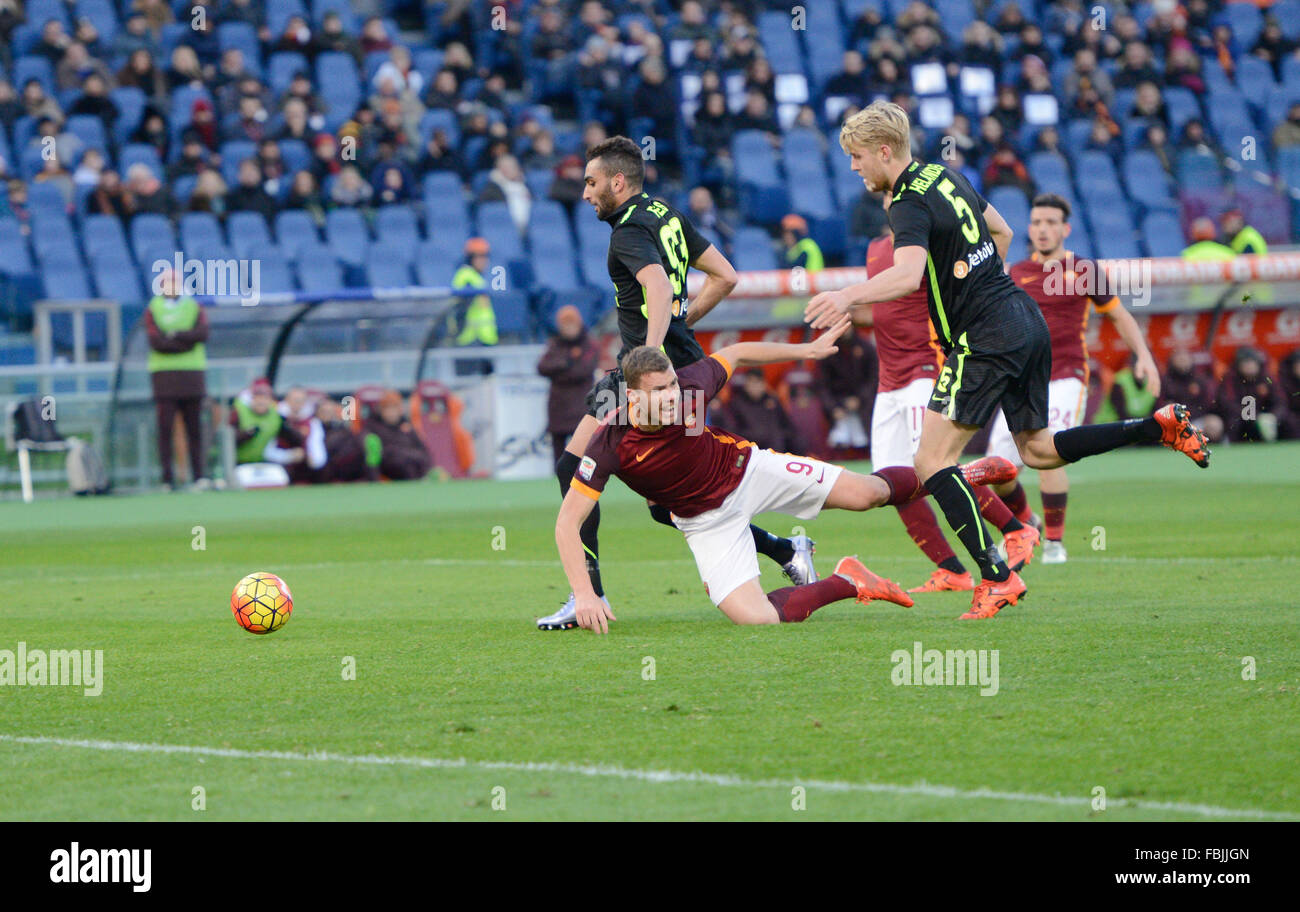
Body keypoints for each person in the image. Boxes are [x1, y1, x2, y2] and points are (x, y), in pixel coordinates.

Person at [806, 101, 1211, 619]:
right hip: (1023, 318)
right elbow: (1003, 233)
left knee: (931, 462)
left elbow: (908, 275)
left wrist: (847, 295)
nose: (855, 167)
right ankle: (1156, 429)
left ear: (884, 151)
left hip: (986, 336)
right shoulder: (946, 176)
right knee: (1039, 451)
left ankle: (995, 576)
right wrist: (970, 279)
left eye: (858, 156)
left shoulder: (905, 200)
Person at [555, 328, 1019, 632]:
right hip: (704, 522)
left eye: (674, 384)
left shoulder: (691, 388)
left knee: (868, 494)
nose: (675, 396)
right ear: (633, 396)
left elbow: (736, 352)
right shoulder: (610, 441)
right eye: (661, 391)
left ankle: (956, 476)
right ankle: (848, 580)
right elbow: (568, 523)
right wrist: (584, 594)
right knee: (755, 619)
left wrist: (806, 350)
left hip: (749, 471)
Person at [541, 135, 813, 631]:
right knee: (654, 499)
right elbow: (726, 276)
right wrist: (679, 327)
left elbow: (660, 287)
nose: (584, 193)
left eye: (591, 182)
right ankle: (785, 547)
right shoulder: (666, 214)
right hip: (655, 370)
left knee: (661, 495)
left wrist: (653, 352)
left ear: (617, 182)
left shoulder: (626, 232)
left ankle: (588, 597)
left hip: (654, 376)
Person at [860, 200, 1036, 593]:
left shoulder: (928, 246)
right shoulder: (874, 248)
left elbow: (997, 237)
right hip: (888, 382)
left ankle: (1015, 528)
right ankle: (952, 570)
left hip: (924, 369)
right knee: (892, 482)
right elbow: (882, 308)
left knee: (935, 467)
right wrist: (844, 313)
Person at [986, 194, 1162, 565]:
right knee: (997, 473)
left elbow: (1119, 316)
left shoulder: (1083, 270)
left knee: (1049, 452)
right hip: (1020, 381)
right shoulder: (1015, 273)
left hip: (1066, 375)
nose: (1043, 229)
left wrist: (1144, 356)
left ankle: (1053, 544)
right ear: (1029, 229)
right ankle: (1027, 522)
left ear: (1065, 229)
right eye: (1036, 223)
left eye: (1051, 222)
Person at [145, 266, 210, 490]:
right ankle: (167, 479)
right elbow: (156, 342)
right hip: (164, 379)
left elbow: (201, 334)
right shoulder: (153, 308)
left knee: (195, 429)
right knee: (165, 429)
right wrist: (184, 340)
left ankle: (200, 476)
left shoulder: (194, 306)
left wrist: (174, 335)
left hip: (192, 376)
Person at [537, 304, 601, 464]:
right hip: (558, 407)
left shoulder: (590, 344)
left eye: (571, 323)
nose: (568, 328)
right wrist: (567, 362)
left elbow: (583, 371)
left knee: (583, 454)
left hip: (582, 406)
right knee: (558, 456)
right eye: (565, 324)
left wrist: (559, 370)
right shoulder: (555, 344)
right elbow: (542, 367)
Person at [451, 237, 498, 375]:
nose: (484, 261)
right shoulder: (465, 276)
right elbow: (461, 307)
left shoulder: (478, 277)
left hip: (484, 339)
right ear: (470, 258)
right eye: (479, 257)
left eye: (485, 257)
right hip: (470, 339)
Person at [361, 390, 431, 480]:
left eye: (394, 408)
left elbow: (423, 449)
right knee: (405, 466)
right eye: (388, 409)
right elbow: (376, 454)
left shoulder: (407, 426)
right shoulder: (372, 427)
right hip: (391, 467)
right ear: (381, 410)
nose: (391, 413)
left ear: (400, 410)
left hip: (413, 463)